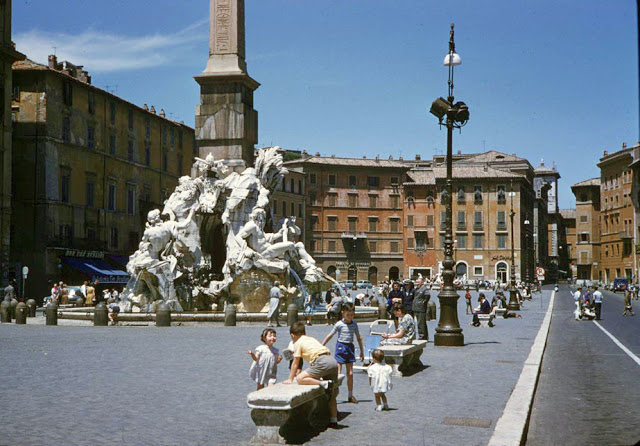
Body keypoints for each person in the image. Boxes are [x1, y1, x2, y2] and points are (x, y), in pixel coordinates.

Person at [283, 322, 340, 428]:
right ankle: (334, 420)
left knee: (300, 378)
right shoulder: (311, 339)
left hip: (321, 361)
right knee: (331, 395)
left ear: (292, 335)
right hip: (332, 361)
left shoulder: (298, 343)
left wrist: (290, 379)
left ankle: (324, 383)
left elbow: (295, 363)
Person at [322, 302, 364, 404]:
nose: (350, 316)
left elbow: (359, 338)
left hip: (350, 347)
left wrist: (362, 351)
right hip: (341, 347)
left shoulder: (354, 324)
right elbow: (331, 334)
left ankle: (350, 395)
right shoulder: (339, 324)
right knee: (338, 373)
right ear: (343, 313)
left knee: (350, 373)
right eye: (348, 314)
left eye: (352, 314)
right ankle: (334, 395)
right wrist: (322, 344)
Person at [412, 276, 430, 341]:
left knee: (421, 323)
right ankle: (425, 336)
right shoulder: (416, 289)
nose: (417, 283)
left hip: (421, 308)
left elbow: (427, 295)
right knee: (421, 322)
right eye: (417, 282)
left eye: (418, 282)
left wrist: (423, 302)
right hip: (416, 307)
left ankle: (422, 336)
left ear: (422, 282)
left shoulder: (424, 289)